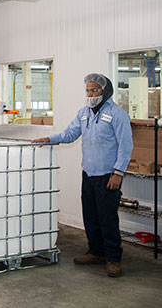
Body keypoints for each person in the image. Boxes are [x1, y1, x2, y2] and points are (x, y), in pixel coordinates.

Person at [32, 73, 132, 277]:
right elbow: (69, 134)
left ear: (105, 91)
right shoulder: (84, 113)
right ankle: (96, 252)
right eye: (88, 90)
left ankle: (113, 258)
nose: (90, 94)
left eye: (94, 90)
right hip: (89, 173)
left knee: (107, 219)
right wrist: (50, 138)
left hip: (108, 176)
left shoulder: (117, 114)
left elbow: (125, 145)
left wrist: (118, 173)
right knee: (91, 216)